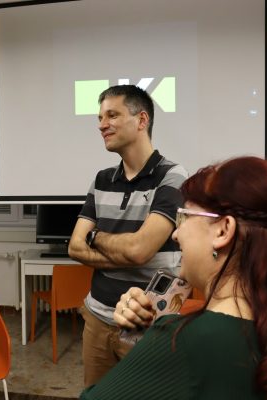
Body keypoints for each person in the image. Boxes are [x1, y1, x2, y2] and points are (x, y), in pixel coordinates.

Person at [81, 157, 267, 399]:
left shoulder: (183, 342)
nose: (175, 234)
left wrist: (155, 346)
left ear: (223, 230)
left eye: (184, 216)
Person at [68, 85, 187, 386]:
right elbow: (74, 247)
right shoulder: (102, 179)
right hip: (97, 318)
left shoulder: (173, 176)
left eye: (112, 115)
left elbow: (139, 250)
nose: (102, 124)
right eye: (100, 117)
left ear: (142, 120)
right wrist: (128, 255)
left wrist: (96, 237)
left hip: (147, 324)